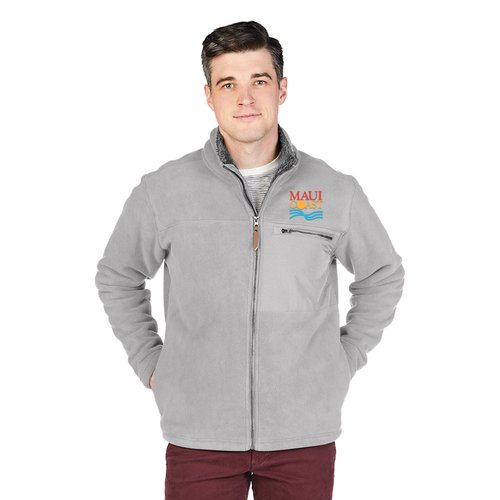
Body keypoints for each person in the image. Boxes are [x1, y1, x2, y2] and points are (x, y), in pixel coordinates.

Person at [95, 20, 405, 500]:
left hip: (303, 435)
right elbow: (118, 275)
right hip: (199, 435)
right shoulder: (163, 191)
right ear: (208, 96)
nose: (245, 98)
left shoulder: (333, 190)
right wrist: (151, 362)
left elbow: (383, 273)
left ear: (282, 89)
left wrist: (344, 358)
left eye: (259, 81)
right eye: (228, 84)